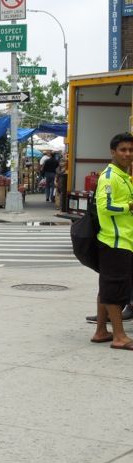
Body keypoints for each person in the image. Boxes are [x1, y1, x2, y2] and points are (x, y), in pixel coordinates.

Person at [90, 132, 133, 349]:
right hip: (114, 241)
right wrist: (129, 207)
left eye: (131, 150)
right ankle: (119, 336)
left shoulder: (123, 176)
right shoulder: (110, 177)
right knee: (115, 289)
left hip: (123, 240)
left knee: (107, 287)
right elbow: (105, 207)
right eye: (123, 150)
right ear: (113, 152)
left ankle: (101, 331)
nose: (127, 154)